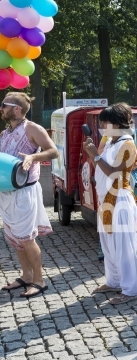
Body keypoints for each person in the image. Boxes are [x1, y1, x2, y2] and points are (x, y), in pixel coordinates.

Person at [0, 92, 59, 298]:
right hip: (7, 191)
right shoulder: (5, 133)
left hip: (25, 191)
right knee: (14, 238)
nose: (1, 109)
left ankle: (39, 280)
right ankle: (26, 275)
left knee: (26, 238)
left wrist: (33, 156)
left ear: (17, 109)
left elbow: (53, 151)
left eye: (4, 105)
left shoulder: (32, 128)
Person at [83, 103, 137, 304]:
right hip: (105, 198)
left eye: (106, 122)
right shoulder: (109, 143)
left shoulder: (128, 144)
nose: (103, 126)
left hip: (120, 198)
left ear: (117, 124)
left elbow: (115, 174)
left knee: (124, 246)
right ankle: (113, 280)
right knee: (108, 244)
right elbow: (101, 169)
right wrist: (93, 154)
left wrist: (94, 154)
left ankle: (130, 289)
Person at [98, 105, 137, 262]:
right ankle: (111, 252)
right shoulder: (109, 137)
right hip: (113, 178)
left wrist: (130, 149)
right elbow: (100, 152)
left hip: (134, 176)